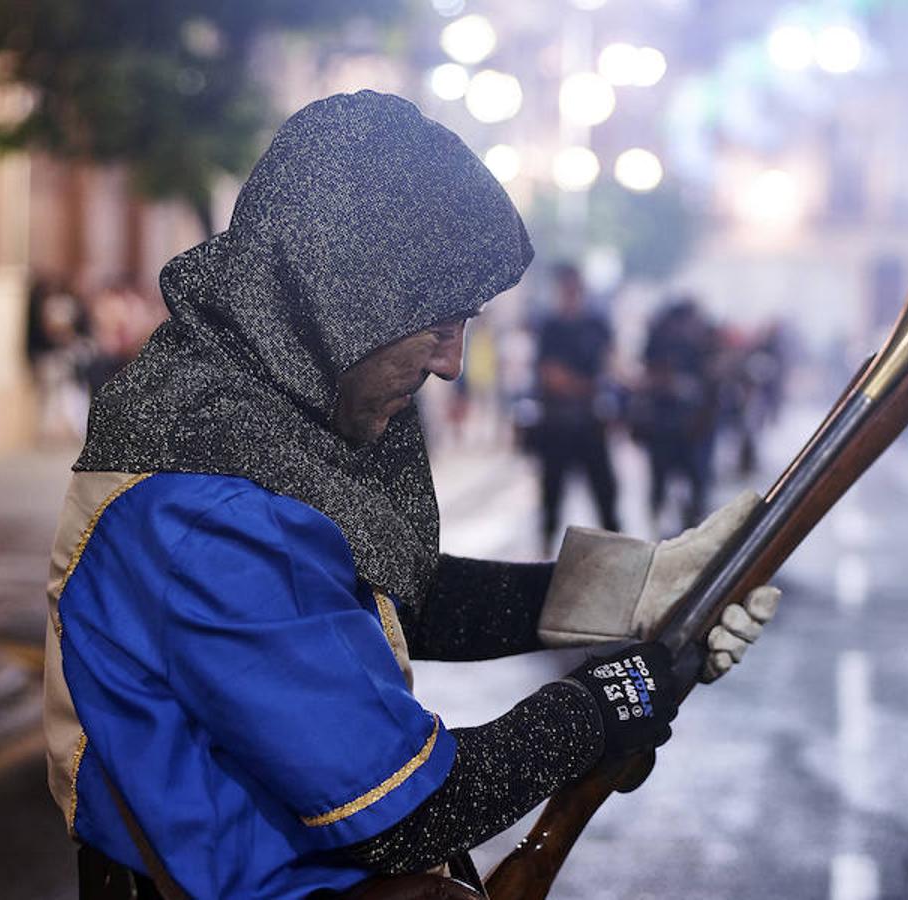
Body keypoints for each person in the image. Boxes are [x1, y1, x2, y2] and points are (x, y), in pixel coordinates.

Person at [42, 91, 780, 899]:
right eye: (437, 322)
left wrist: (646, 588)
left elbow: (395, 597)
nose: (453, 363)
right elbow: (406, 811)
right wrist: (616, 697)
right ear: (344, 296)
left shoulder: (241, 417)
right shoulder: (207, 512)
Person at [531, 262, 621, 554]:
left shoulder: (596, 324)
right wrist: (584, 385)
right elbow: (551, 377)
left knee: (605, 494)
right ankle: (545, 549)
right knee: (552, 496)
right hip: (557, 424)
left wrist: (578, 384)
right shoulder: (551, 327)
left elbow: (611, 365)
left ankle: (616, 552)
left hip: (590, 423)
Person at [633, 297, 721, 534]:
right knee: (660, 480)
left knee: (696, 482)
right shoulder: (659, 341)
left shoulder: (704, 343)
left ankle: (691, 522)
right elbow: (648, 376)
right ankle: (658, 524)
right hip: (664, 424)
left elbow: (713, 383)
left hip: (695, 426)